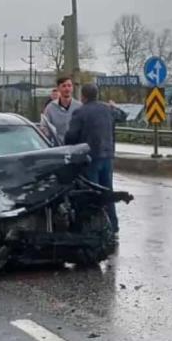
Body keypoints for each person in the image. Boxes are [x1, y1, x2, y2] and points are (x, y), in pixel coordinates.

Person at [64, 83, 122, 233]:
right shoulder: (108, 110)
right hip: (107, 156)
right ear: (97, 95)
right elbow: (123, 116)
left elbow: (71, 136)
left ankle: (95, 227)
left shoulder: (80, 112)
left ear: (82, 96)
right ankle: (113, 225)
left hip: (90, 158)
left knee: (92, 194)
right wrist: (114, 106)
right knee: (107, 191)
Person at [43, 76, 81, 140]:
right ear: (58, 88)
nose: (67, 89)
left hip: (76, 146)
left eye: (69, 86)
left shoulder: (79, 107)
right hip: (58, 146)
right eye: (64, 86)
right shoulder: (50, 108)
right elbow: (44, 126)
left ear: (72, 88)